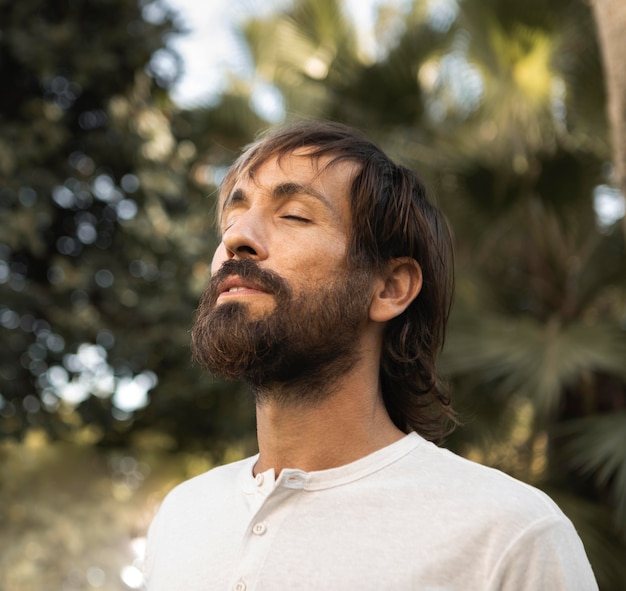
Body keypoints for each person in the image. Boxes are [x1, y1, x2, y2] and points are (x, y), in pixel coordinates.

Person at [143, 120, 597, 590]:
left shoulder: (507, 534)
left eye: (294, 215)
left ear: (390, 288)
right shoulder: (183, 514)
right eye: (231, 219)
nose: (237, 239)